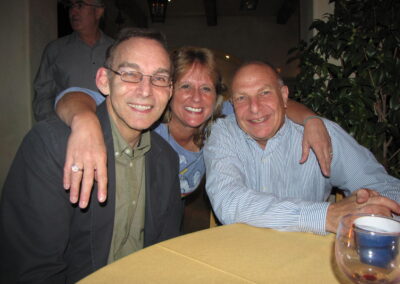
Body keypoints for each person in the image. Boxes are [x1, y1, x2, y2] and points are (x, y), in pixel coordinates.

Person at [0, 28, 183, 283]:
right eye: (130, 74)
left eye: (160, 78)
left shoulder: (166, 159)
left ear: (170, 90)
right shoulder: (51, 147)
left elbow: (166, 251)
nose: (146, 90)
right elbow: (31, 270)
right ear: (103, 81)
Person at [54, 49, 333, 208]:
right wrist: (84, 121)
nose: (196, 99)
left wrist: (312, 120)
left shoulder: (221, 119)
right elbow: (73, 96)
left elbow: (268, 102)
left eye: (206, 89)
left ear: (218, 97)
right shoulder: (146, 119)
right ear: (169, 89)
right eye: (186, 86)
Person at [204, 61, 400, 234]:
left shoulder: (321, 134)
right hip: (240, 254)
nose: (254, 107)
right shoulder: (224, 134)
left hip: (307, 255)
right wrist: (326, 216)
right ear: (233, 103)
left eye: (264, 93)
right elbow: (229, 201)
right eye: (241, 98)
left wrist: (378, 209)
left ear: (284, 95)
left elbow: (384, 186)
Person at [32, 0, 114, 121]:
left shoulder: (117, 49)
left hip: (112, 133)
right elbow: (43, 97)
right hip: (69, 133)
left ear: (98, 12)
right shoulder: (55, 50)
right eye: (71, 6)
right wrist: (58, 127)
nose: (73, 12)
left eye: (80, 5)